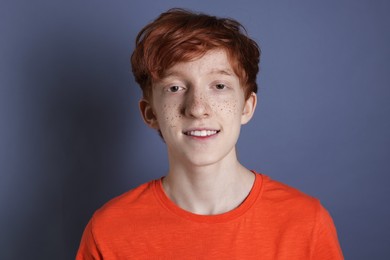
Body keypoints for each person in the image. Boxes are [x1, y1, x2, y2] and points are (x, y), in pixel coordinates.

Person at [76, 8, 343, 259]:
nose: (197, 108)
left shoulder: (305, 222)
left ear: (247, 107)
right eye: (175, 88)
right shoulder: (109, 230)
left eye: (219, 85)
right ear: (150, 113)